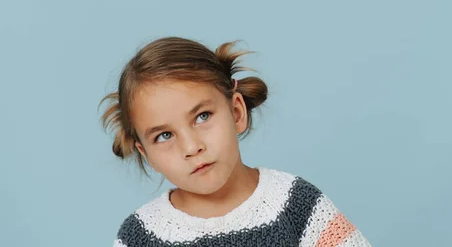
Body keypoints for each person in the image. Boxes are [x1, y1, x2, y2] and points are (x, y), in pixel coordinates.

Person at [100, 36, 372, 246]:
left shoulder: (293, 204)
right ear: (147, 155)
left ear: (236, 112)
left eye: (202, 116)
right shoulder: (140, 235)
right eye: (164, 136)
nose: (192, 147)